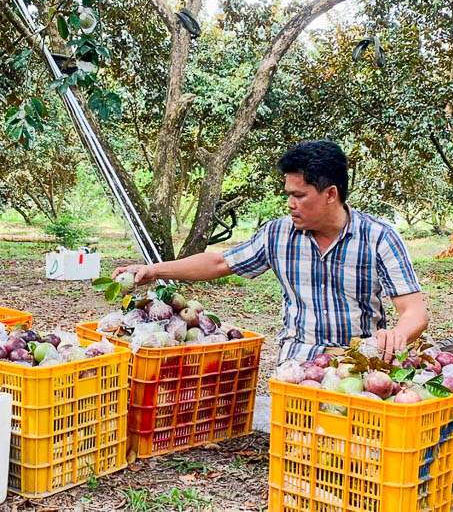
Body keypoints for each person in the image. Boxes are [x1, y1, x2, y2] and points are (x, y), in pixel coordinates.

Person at [112, 140, 429, 363]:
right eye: (288, 194)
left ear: (331, 194)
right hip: (298, 363)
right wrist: (153, 270)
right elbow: (219, 262)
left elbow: (414, 311)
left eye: (299, 195)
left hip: (357, 360)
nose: (290, 204)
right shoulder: (278, 234)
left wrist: (395, 336)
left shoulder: (378, 237)